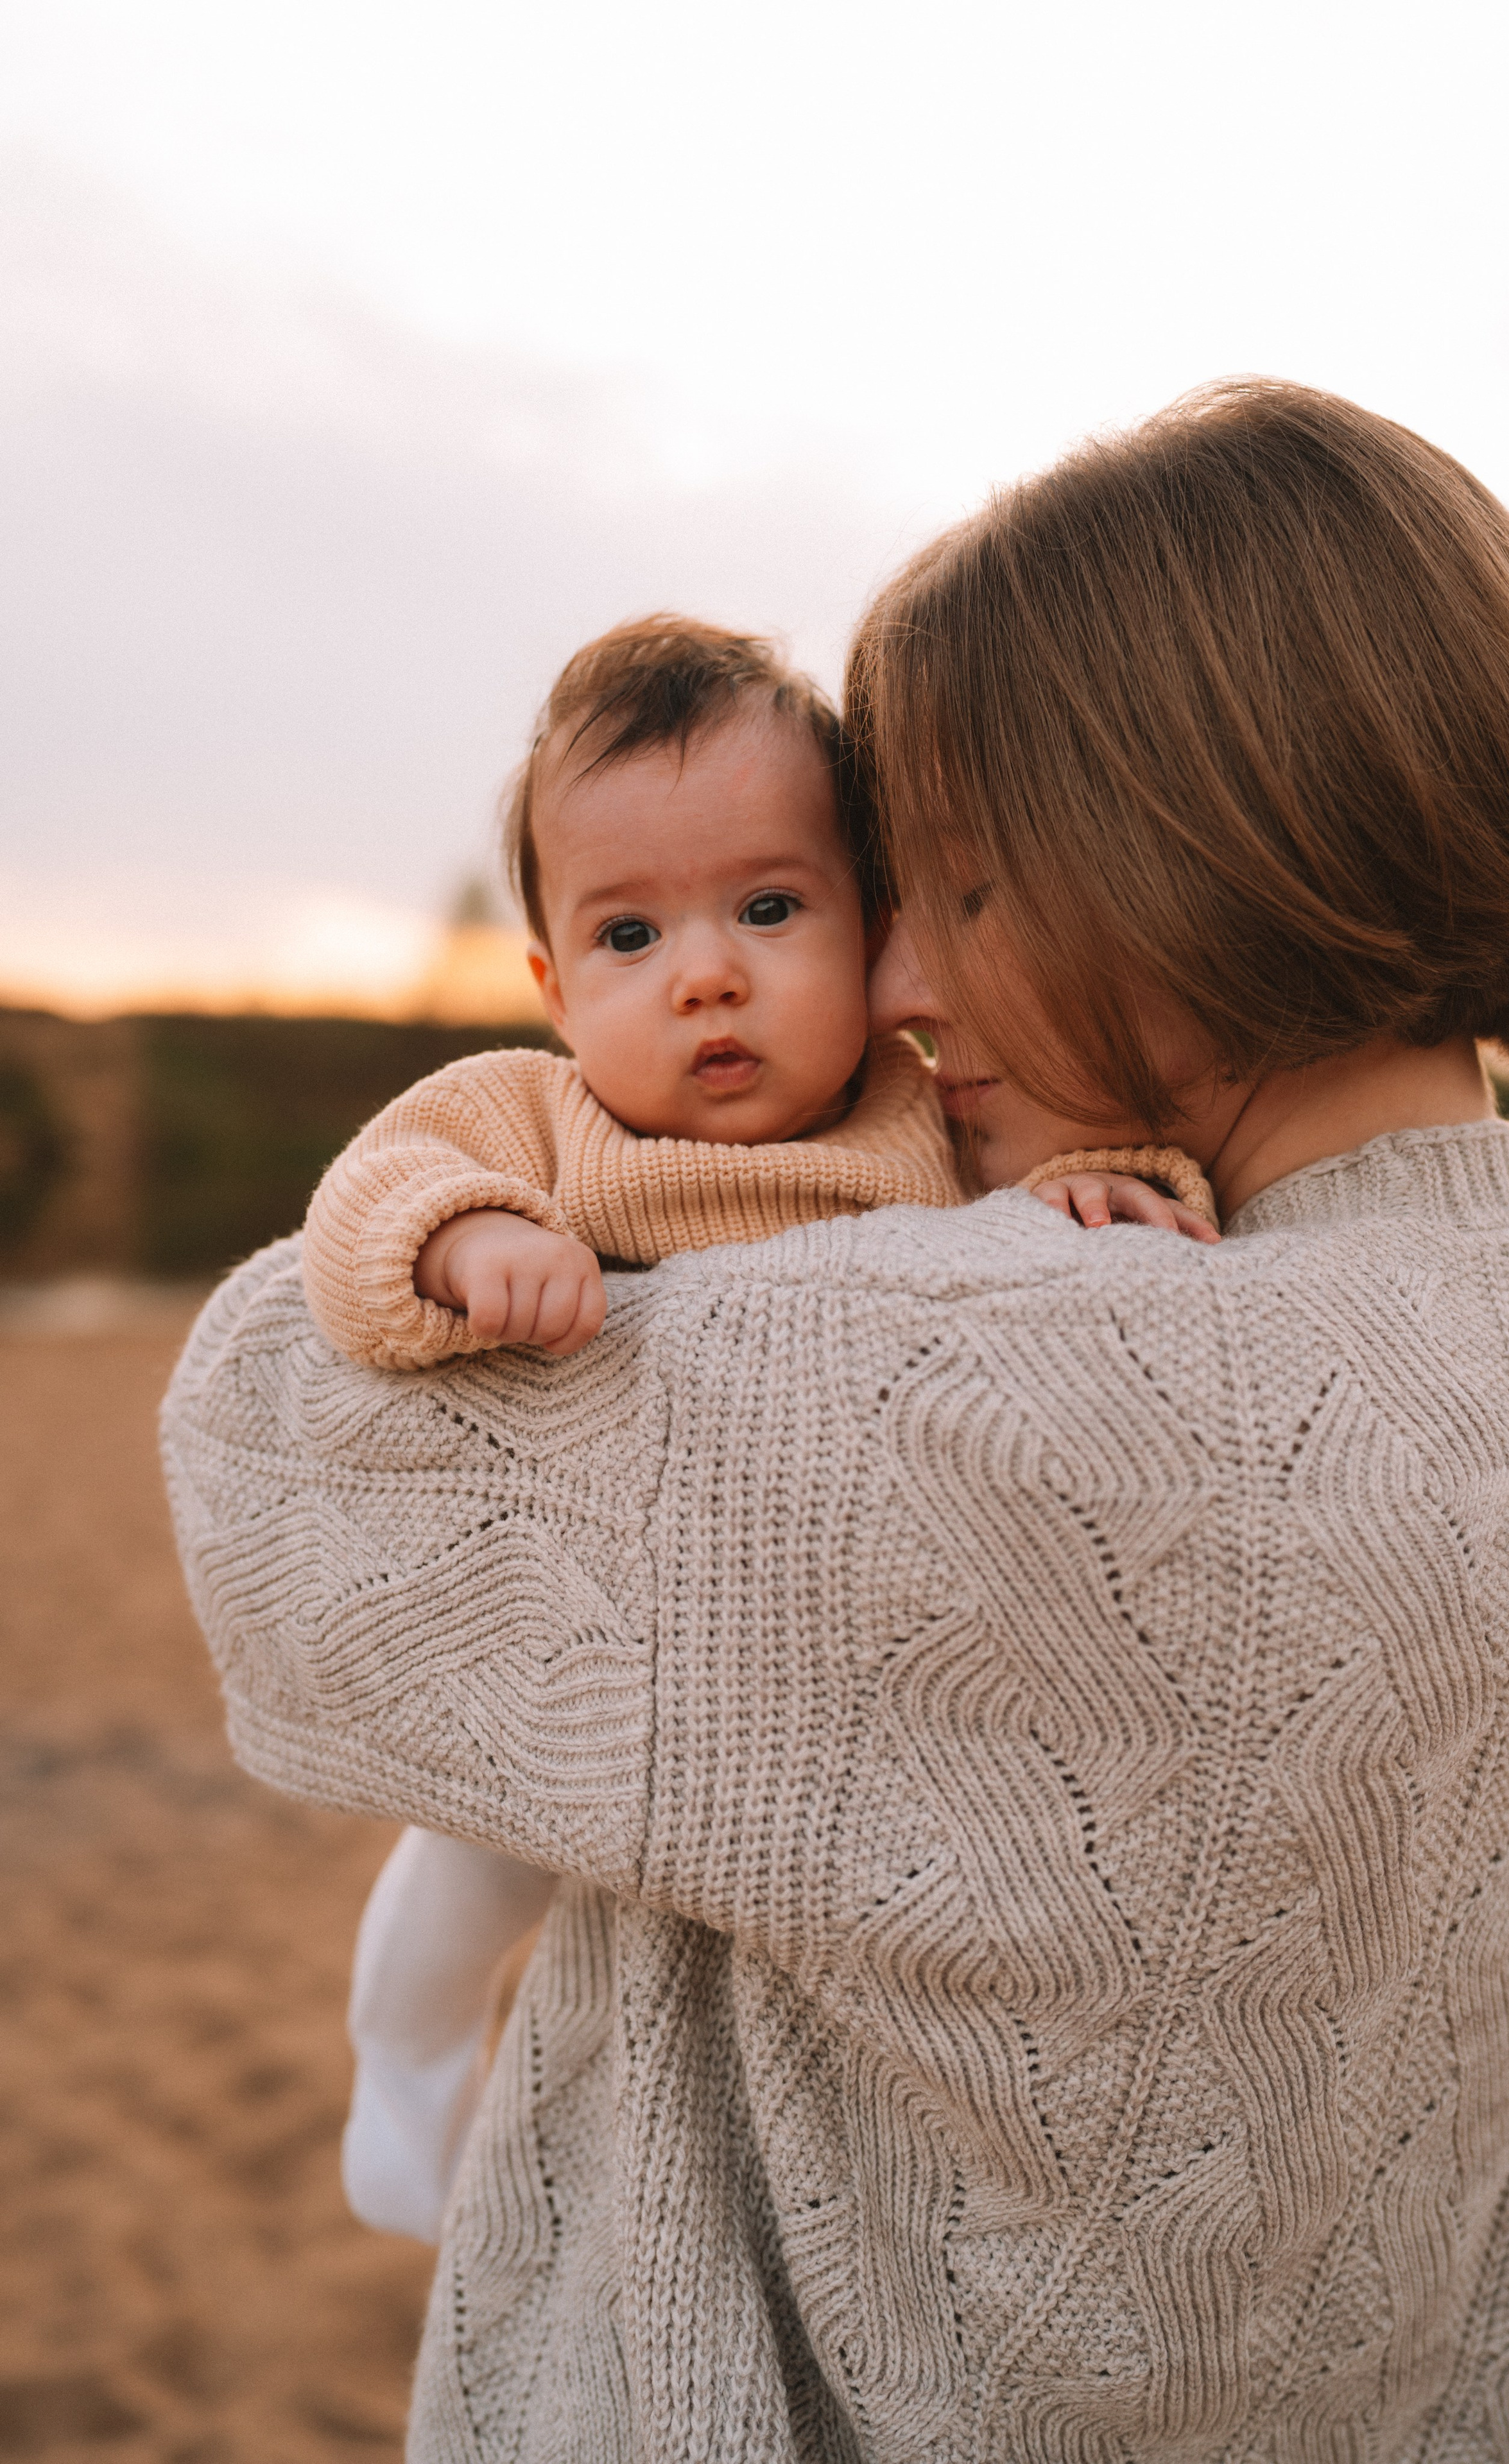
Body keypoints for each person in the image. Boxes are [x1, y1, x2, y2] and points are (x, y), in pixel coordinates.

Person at [162, 378, 1509, 2461]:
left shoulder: (1000, 1382)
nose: (900, 984)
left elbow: (258, 1448)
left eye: (953, 887)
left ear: (1181, 867)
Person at [314, 613, 1216, 2241]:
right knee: (472, 1857)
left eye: (770, 908)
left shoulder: (929, 1115)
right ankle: (406, 2045)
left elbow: (1109, 1201)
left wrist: (1106, 1185)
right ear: (551, 984)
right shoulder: (543, 1117)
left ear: (872, 931)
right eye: (629, 936)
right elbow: (368, 1198)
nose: (707, 972)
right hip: (586, 1644)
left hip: (840, 1662)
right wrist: (468, 1242)